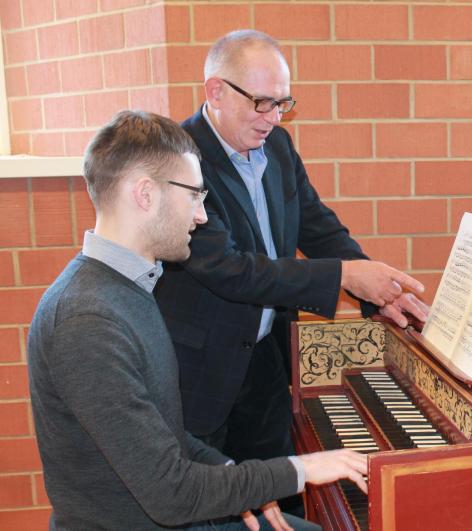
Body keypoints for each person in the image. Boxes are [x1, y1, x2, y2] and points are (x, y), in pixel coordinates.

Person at [27, 110, 368, 531]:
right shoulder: (88, 319)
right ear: (145, 194)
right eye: (194, 194)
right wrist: (299, 470)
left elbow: (164, 434)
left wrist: (231, 473)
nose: (202, 215)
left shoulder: (128, 287)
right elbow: (171, 494)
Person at [154, 29, 429, 478]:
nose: (274, 118)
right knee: (210, 509)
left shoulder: (277, 147)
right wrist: (342, 276)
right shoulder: (179, 159)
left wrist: (381, 290)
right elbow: (231, 270)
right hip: (201, 372)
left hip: (264, 360)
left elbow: (317, 227)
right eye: (263, 102)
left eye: (283, 103)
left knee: (276, 498)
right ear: (216, 92)